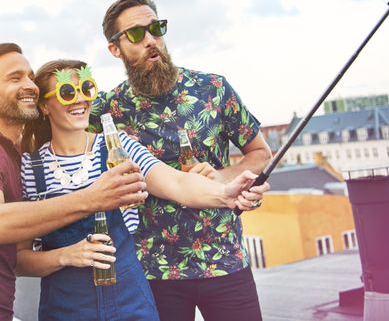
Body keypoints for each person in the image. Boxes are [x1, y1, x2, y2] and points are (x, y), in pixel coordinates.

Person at [16, 59, 269, 321]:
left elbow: (177, 183)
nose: (79, 99)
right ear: (44, 105)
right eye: (67, 92)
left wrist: (225, 193)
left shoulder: (118, 148)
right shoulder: (30, 169)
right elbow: (20, 259)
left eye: (86, 89)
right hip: (66, 310)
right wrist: (66, 256)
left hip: (130, 305)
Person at [0, 43, 149, 321]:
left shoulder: (10, 154)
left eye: (31, 76)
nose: (29, 84)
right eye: (15, 77)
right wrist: (92, 198)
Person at [90, 0, 273, 321]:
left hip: (225, 261)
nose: (150, 40)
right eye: (136, 33)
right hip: (153, 271)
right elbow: (59, 132)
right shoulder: (108, 109)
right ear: (114, 48)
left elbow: (260, 152)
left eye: (156, 28)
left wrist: (223, 176)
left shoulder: (214, 89)